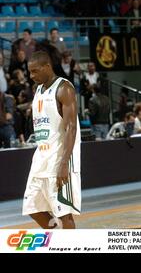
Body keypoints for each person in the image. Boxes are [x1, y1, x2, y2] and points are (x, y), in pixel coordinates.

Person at [22, 51, 81, 229]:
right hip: (41, 157)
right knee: (32, 207)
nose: (32, 76)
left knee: (63, 213)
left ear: (47, 67)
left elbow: (71, 128)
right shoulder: (38, 89)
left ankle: (71, 248)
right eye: (30, 72)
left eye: (35, 71)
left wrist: (64, 163)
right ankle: (56, 240)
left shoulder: (64, 88)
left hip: (59, 158)